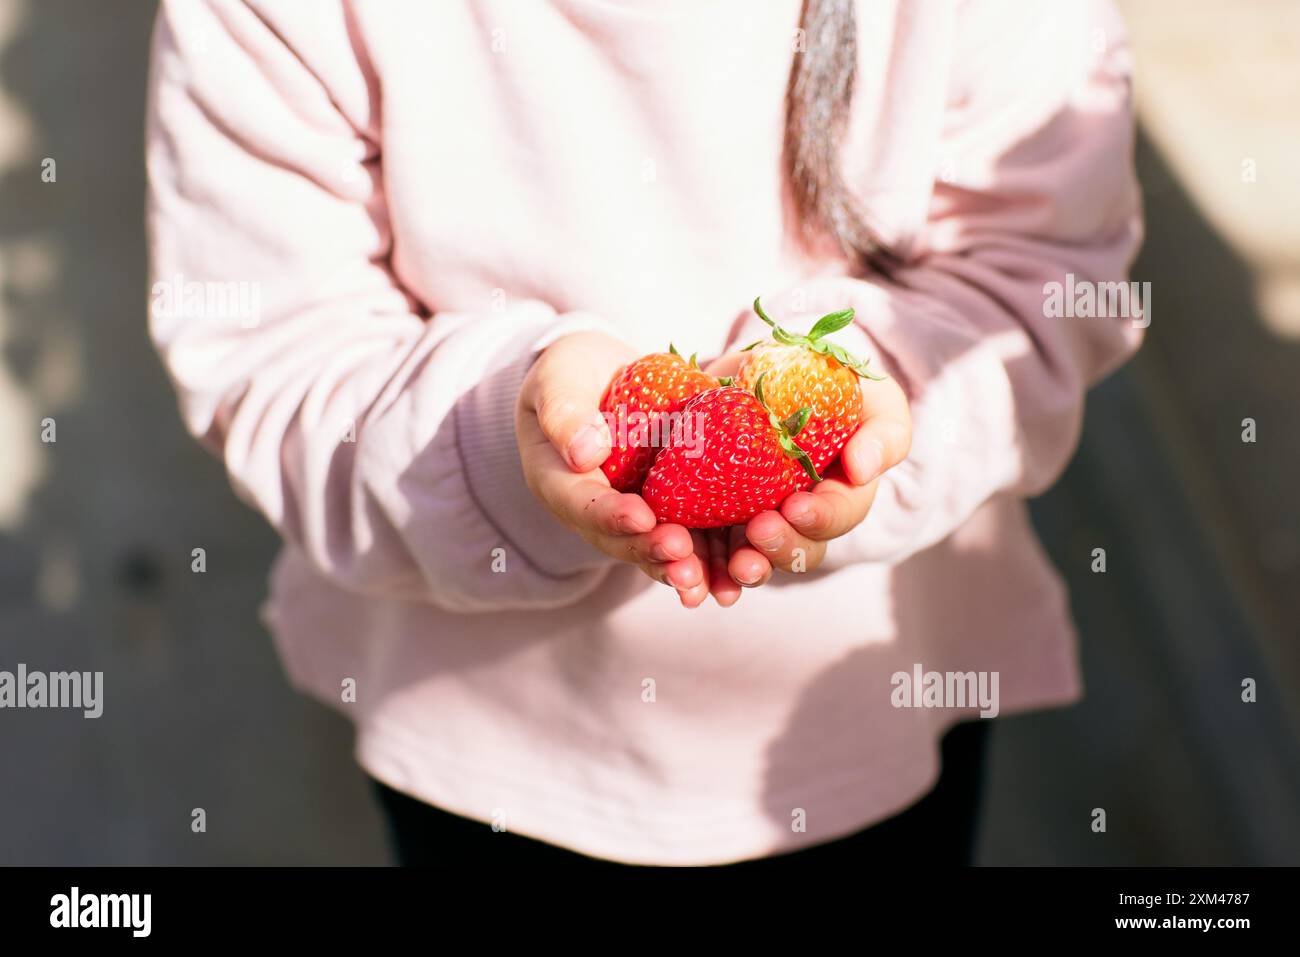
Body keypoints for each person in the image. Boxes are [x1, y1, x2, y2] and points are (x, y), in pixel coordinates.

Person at [146, 0, 1143, 867]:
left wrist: (861, 409)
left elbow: (1041, 275)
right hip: (487, 751)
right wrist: (506, 435)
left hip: (873, 713)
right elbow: (270, 352)